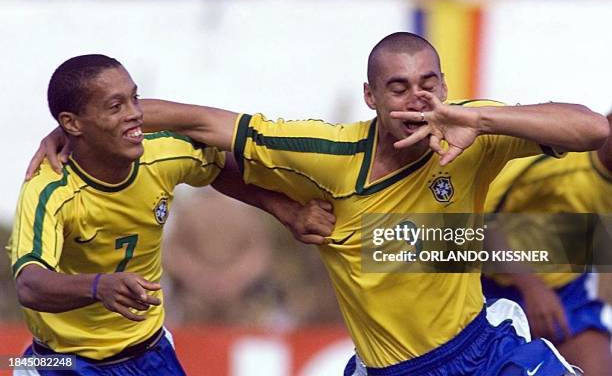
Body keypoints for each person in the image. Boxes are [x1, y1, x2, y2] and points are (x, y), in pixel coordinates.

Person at [31, 33, 609, 375]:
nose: (418, 100)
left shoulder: (472, 131)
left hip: (486, 338)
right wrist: (77, 133)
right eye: (398, 88)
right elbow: (201, 121)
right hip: (427, 302)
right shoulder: (325, 155)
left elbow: (589, 128)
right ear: (370, 97)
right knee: (393, 239)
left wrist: (480, 119)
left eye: (429, 84)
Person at [8, 54, 335, 376]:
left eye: (135, 98)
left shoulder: (161, 152)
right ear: (72, 123)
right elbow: (30, 284)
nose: (136, 114)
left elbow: (218, 165)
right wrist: (98, 286)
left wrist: (287, 211)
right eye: (116, 106)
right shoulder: (49, 188)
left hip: (149, 352)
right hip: (62, 362)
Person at [482, 112, 612, 375]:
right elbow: (472, 226)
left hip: (569, 295)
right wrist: (532, 288)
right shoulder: (552, 159)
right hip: (493, 289)